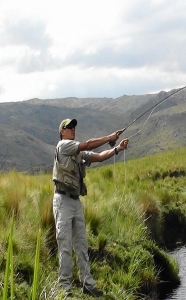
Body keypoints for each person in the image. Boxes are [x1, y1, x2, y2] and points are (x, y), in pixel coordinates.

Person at [52, 118, 129, 297]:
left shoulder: (78, 153)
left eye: (73, 127)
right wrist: (110, 136)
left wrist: (117, 148)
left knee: (81, 244)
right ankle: (65, 288)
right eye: (68, 128)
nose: (72, 129)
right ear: (62, 132)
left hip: (75, 202)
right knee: (64, 244)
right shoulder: (63, 146)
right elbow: (88, 144)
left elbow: (100, 156)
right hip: (62, 201)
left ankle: (87, 284)